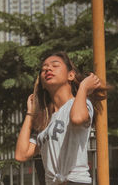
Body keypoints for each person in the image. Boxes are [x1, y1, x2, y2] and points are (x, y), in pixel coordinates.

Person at [15, 51, 108, 185]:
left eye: (55, 65)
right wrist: (30, 113)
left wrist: (83, 88)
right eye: (44, 68)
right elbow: (21, 154)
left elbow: (76, 118)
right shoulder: (46, 120)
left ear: (71, 75)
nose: (48, 69)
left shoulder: (80, 103)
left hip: (75, 182)